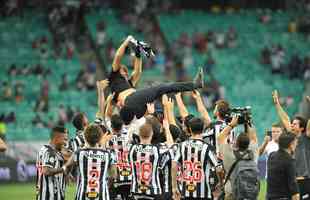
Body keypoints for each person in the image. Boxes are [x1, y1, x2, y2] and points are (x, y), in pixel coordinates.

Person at [63, 123, 117, 200]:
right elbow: (113, 175)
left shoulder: (79, 153)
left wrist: (68, 175)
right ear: (99, 137)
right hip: (102, 195)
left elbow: (67, 166)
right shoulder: (108, 154)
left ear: (85, 137)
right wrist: (107, 185)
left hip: (82, 195)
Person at [272, 90, 310, 198]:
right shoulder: (290, 138)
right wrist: (277, 104)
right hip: (292, 180)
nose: (292, 126)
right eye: (292, 124)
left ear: (302, 128)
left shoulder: (305, 138)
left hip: (305, 181)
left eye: (295, 124)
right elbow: (285, 118)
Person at [172, 117, 220, 200]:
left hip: (185, 193)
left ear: (190, 129)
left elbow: (174, 165)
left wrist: (174, 186)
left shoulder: (182, 146)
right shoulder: (208, 148)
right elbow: (218, 168)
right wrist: (220, 183)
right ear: (203, 128)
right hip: (204, 194)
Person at [128, 120, 173, 200]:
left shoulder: (131, 149)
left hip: (136, 192)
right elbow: (171, 146)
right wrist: (167, 129)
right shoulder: (157, 149)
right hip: (154, 191)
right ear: (152, 134)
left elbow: (128, 137)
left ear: (139, 134)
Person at [217, 116, 259, 200]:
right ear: (248, 144)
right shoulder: (253, 153)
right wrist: (247, 123)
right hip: (249, 194)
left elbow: (220, 138)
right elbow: (254, 137)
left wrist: (232, 125)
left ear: (236, 143)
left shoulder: (230, 155)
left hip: (232, 193)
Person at [36, 126, 69, 200]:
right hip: (50, 196)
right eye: (65, 140)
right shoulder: (49, 152)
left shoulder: (44, 149)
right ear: (56, 138)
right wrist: (64, 168)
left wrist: (66, 173)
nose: (66, 143)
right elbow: (46, 171)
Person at [267, 133, 300, 200]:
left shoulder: (271, 155)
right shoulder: (289, 160)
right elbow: (293, 185)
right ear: (291, 144)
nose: (297, 145)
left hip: (270, 196)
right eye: (296, 143)